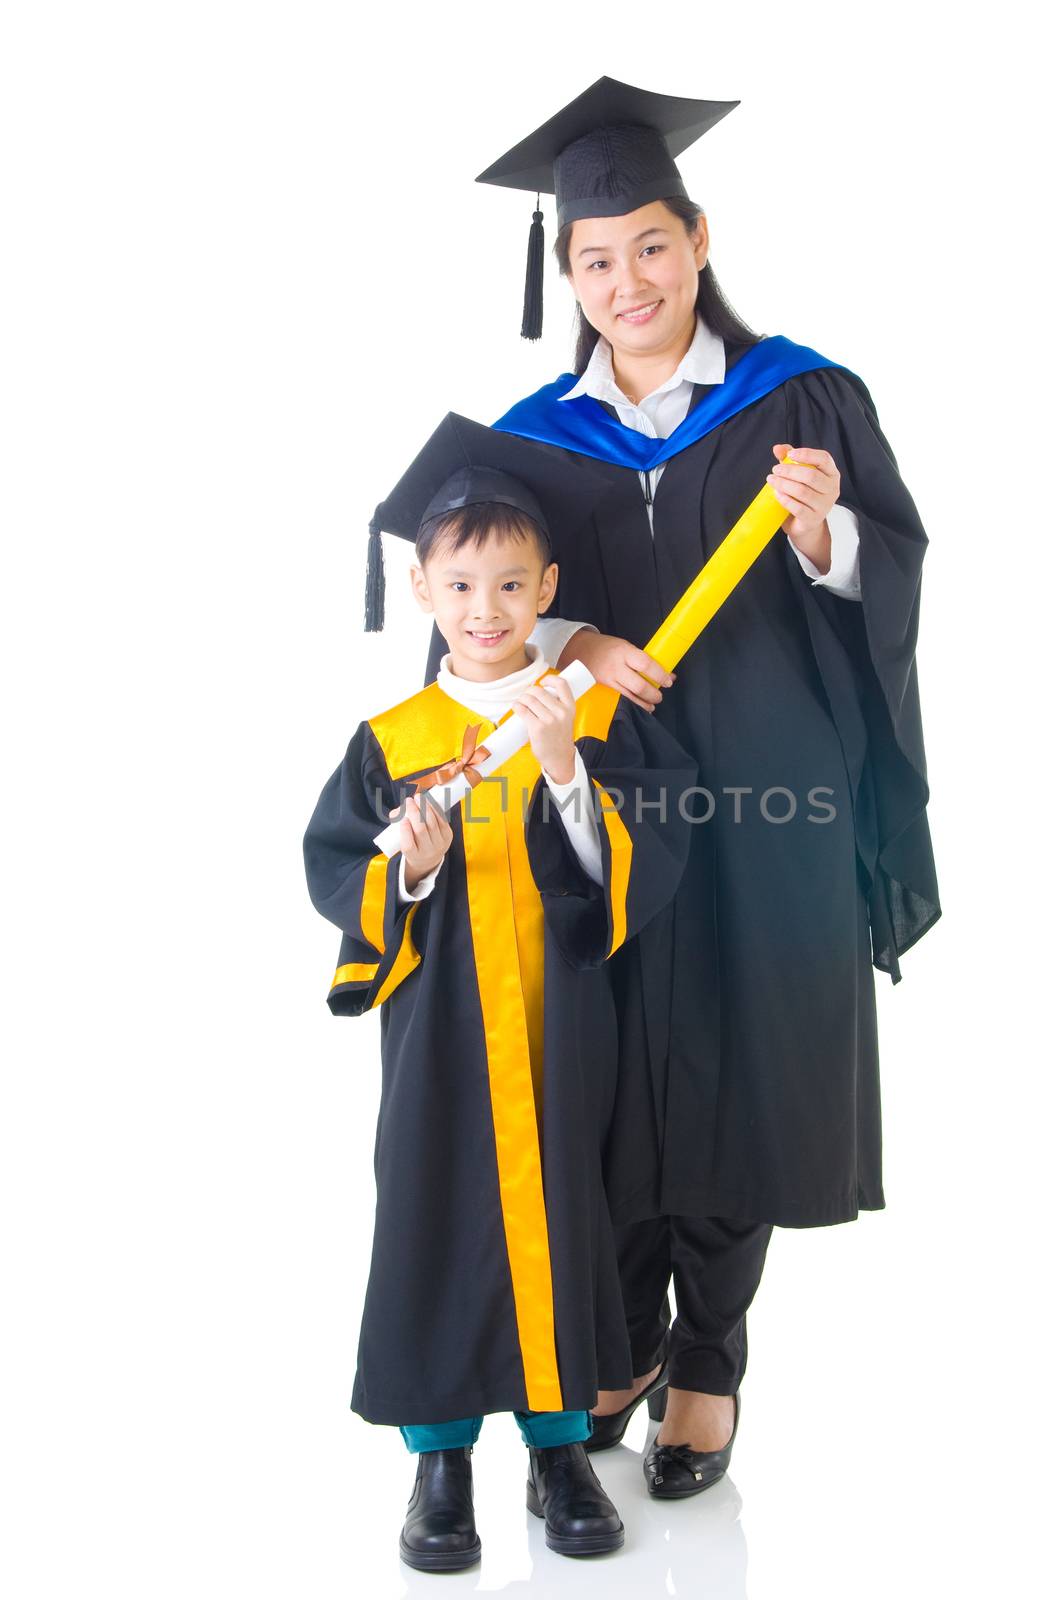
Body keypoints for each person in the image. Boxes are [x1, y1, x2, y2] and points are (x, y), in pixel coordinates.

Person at [461, 77, 941, 1498]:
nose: (629, 282)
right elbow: (481, 604)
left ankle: (711, 1365)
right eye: (596, 259)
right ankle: (618, 1341)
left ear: (700, 239)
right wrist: (577, 639)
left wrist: (821, 532)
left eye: (651, 247)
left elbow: (890, 569)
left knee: (745, 1064)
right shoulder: (534, 435)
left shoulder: (798, 397)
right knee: (600, 1066)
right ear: (568, 273)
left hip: (772, 784)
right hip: (603, 792)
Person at [305, 414, 696, 1569]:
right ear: (422, 586)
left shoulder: (582, 716)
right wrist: (407, 870)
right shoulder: (395, 735)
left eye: (511, 585)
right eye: (461, 582)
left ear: (548, 591)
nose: (486, 608)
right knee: (433, 1213)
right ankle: (440, 1462)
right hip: (440, 1038)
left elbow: (642, 860)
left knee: (571, 1214)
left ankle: (562, 1446)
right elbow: (340, 867)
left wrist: (569, 770)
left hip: (562, 1022)